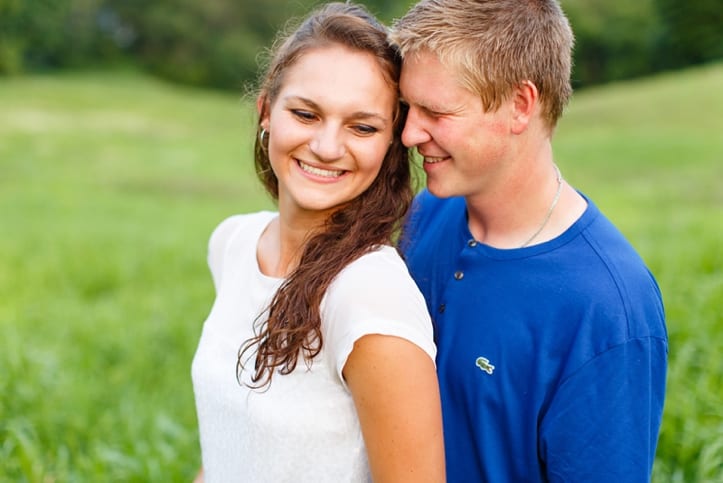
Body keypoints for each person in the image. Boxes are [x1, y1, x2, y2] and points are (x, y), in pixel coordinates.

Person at [390, 0, 668, 481]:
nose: (410, 133)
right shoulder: (427, 213)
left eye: (436, 111)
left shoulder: (608, 310)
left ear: (520, 105)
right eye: (406, 108)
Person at [191, 3, 445, 483]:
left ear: (392, 142)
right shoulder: (233, 243)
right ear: (267, 110)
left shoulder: (371, 297)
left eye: (362, 126)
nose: (327, 147)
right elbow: (230, 449)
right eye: (306, 114)